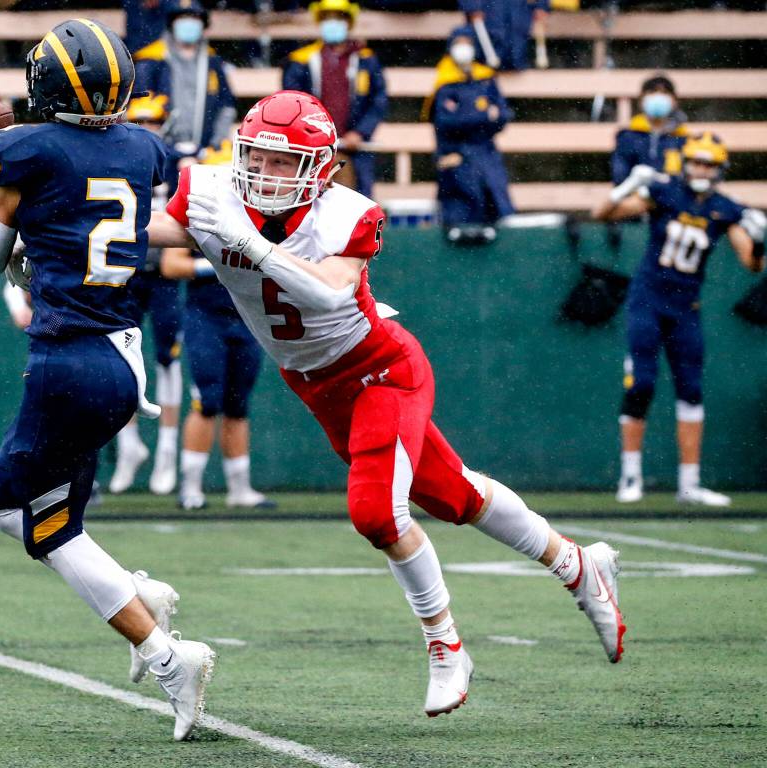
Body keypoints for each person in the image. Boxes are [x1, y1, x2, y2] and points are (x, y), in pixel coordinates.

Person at [147, 90, 627, 718]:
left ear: (320, 169)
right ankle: (577, 564)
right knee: (455, 496)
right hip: (314, 382)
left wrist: (251, 243)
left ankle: (446, 644)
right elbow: (151, 231)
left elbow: (328, 297)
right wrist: (63, 237)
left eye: (282, 162)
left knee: (376, 512)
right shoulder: (212, 189)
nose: (263, 174)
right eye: (257, 158)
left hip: (381, 369)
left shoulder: (349, 212)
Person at [0, 18, 214, 740]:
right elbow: (74, 214)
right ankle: (141, 598)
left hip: (69, 362)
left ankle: (164, 649)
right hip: (119, 354)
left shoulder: (26, 148)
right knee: (49, 519)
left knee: (19, 514)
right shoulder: (146, 146)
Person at [593, 133, 766, 507]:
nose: (701, 169)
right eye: (696, 161)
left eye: (709, 163)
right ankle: (631, 476)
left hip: (686, 309)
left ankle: (690, 484)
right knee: (641, 384)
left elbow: (752, 264)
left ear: (719, 169)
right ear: (686, 162)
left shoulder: (724, 208)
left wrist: (761, 239)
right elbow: (601, 215)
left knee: (691, 391)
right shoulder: (665, 192)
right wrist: (625, 187)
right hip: (649, 301)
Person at [160, 142, 274, 511]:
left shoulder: (263, 214)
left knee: (238, 403)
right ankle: (191, 486)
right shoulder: (197, 213)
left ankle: (239, 488)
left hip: (246, 316)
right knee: (207, 399)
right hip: (205, 316)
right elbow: (171, 265)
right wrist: (219, 265)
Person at [110, 95, 186, 496]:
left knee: (167, 359)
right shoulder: (116, 159)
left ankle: (167, 453)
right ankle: (129, 447)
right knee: (122, 357)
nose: (146, 130)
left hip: (164, 276)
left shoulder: (176, 166)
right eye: (139, 122)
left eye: (153, 122)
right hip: (124, 273)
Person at [282, 0, 387, 198]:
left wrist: (360, 132)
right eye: (327, 18)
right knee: (310, 201)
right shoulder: (301, 60)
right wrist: (314, 134)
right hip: (313, 148)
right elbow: (293, 103)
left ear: (348, 22)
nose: (332, 23)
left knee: (359, 203)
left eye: (338, 18)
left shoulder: (366, 59)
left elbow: (378, 100)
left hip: (357, 148)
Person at [426, 26, 514, 242]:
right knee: (460, 218)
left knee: (498, 213)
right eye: (458, 43)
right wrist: (484, 116)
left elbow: (504, 115)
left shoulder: (485, 78)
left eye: (467, 43)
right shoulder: (444, 82)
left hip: (486, 155)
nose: (463, 49)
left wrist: (473, 117)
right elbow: (446, 122)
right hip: (456, 155)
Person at [134, 0, 237, 169]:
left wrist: (212, 146)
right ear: (172, 24)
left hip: (204, 154)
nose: (189, 24)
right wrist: (174, 152)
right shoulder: (151, 61)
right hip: (160, 154)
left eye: (194, 18)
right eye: (183, 18)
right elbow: (140, 113)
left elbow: (226, 106)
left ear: (203, 26)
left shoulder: (213, 62)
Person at [611, 74, 689, 187]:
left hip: (670, 200)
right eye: (652, 92)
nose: (658, 97)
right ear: (641, 100)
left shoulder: (683, 139)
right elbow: (619, 176)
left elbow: (683, 180)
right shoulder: (628, 137)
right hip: (633, 198)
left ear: (675, 101)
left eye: (665, 93)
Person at [458, 0, 550, 72]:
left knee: (517, 44)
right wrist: (471, 6)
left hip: (518, 9)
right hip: (488, 8)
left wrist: (542, 5)